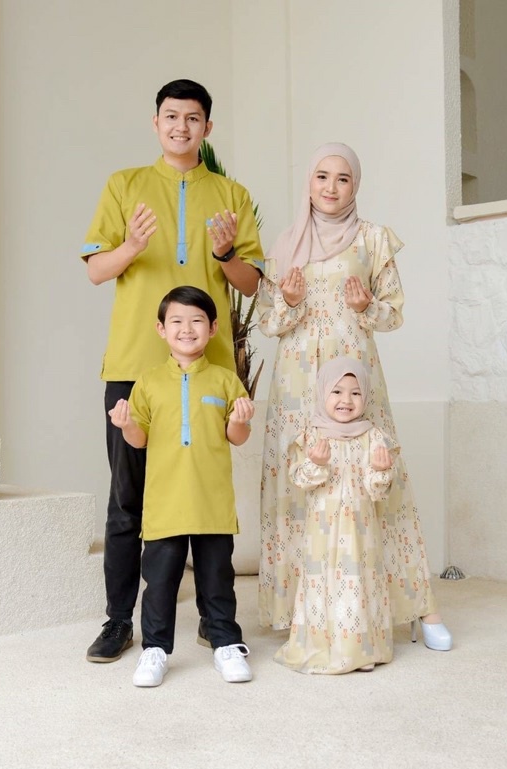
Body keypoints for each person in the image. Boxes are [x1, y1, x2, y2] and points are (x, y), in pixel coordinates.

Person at [80, 79, 263, 663]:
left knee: (205, 500)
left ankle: (215, 620)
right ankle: (118, 621)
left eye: (192, 118)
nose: (181, 126)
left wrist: (226, 254)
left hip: (208, 373)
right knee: (126, 502)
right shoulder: (125, 185)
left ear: (208, 128)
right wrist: (131, 246)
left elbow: (251, 284)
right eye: (170, 116)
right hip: (135, 367)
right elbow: (96, 270)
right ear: (155, 123)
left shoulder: (231, 195)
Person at [256, 142, 452, 651]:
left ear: (355, 185)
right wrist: (290, 302)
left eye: (342, 178)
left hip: (354, 376)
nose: (330, 187)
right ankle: (304, 610)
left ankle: (418, 607)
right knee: (302, 481)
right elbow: (268, 321)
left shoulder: (373, 239)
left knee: (379, 476)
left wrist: (366, 307)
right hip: (298, 382)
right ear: (309, 182)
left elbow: (393, 314)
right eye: (321, 176)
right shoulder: (286, 243)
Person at [110, 286, 254, 687]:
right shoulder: (148, 382)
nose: (186, 329)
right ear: (161, 329)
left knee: (217, 579)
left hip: (212, 503)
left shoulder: (225, 380)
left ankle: (226, 643)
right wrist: (126, 425)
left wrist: (239, 420)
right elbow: (140, 439)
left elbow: (237, 437)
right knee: (159, 582)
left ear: (213, 328)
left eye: (196, 321)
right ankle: (155, 649)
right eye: (176, 321)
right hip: (165, 503)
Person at [276, 358, 395, 674]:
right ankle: (324, 646)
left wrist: (381, 471)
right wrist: (315, 463)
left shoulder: (372, 436)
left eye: (356, 393)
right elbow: (300, 480)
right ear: (322, 393)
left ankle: (360, 649)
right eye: (337, 391)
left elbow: (377, 490)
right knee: (325, 580)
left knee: (358, 579)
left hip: (360, 528)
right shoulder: (312, 434)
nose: (346, 400)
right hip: (323, 528)